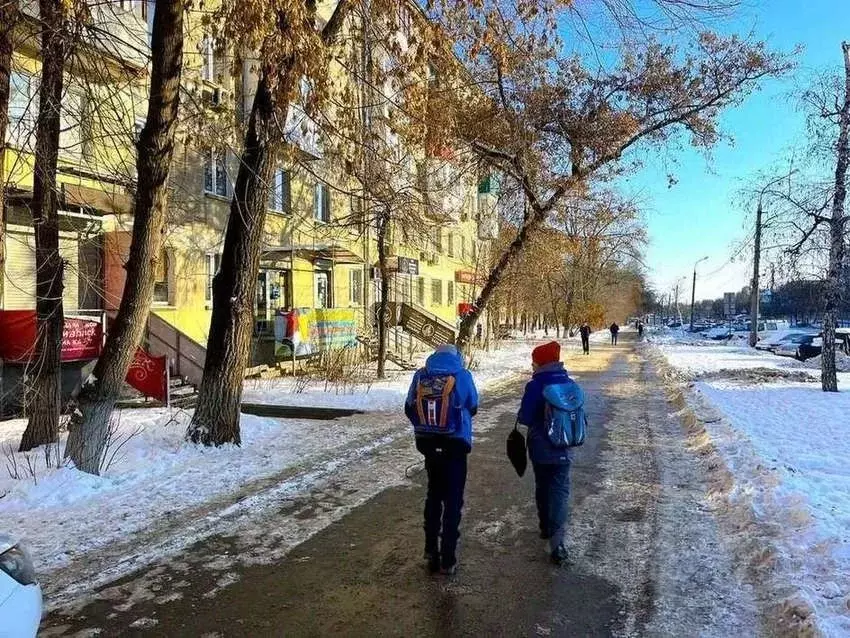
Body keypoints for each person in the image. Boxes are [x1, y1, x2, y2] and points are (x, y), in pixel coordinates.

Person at [405, 344, 479, 575]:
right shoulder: (462, 376)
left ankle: (430, 550)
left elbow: (409, 407)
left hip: (428, 444)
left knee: (434, 494)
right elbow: (473, 405)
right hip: (455, 444)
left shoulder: (421, 375)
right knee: (453, 498)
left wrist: (429, 426)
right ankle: (448, 558)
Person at [517, 341, 575, 566]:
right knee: (560, 491)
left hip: (540, 447)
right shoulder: (568, 382)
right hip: (564, 445)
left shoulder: (535, 385)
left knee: (543, 486)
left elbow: (525, 417)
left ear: (540, 362)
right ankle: (557, 542)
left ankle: (545, 527)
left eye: (534, 361)